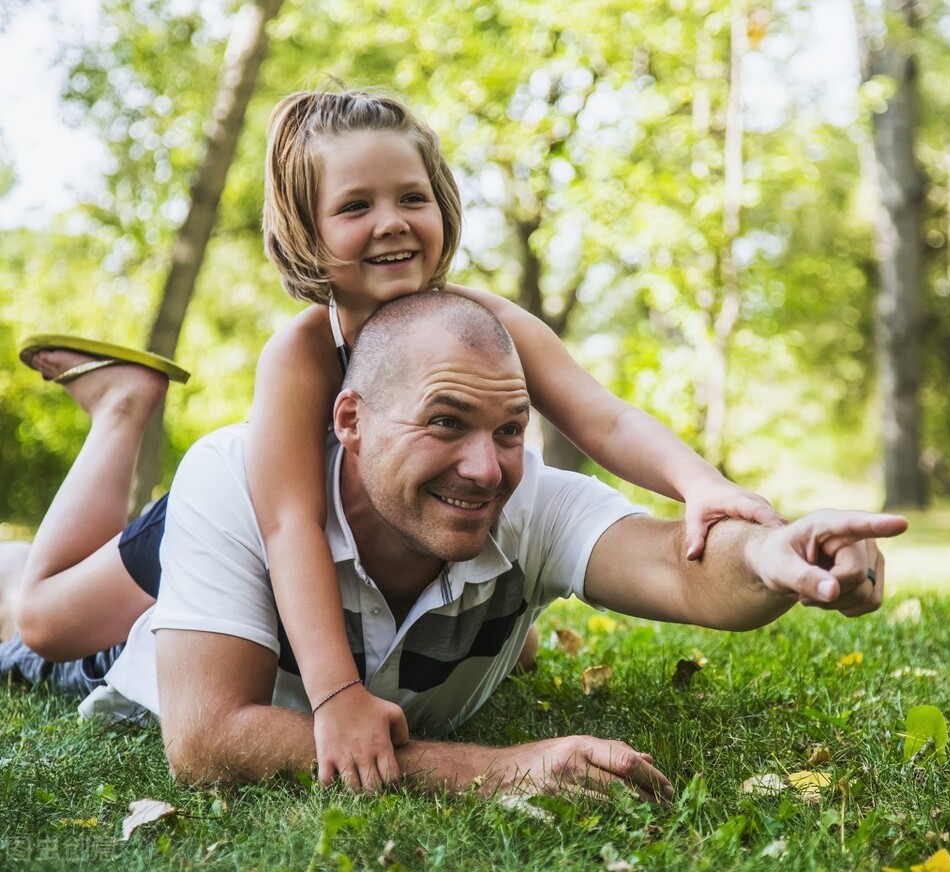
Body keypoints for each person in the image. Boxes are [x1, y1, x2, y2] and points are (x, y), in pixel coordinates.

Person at [13, 88, 784, 789]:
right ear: (308, 232)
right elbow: (288, 527)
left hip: (370, 522)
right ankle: (122, 404)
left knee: (479, 611)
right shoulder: (302, 352)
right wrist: (339, 695)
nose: (391, 221)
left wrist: (699, 484)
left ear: (443, 206)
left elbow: (602, 415)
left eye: (412, 196)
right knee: (47, 622)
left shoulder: (490, 325)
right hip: (250, 511)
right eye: (355, 206)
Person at [2, 292, 907, 799]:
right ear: (349, 420)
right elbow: (207, 742)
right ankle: (121, 407)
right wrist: (492, 771)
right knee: (31, 618)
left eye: (511, 429)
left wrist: (776, 555)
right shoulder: (245, 473)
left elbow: (688, 570)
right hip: (150, 638)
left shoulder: (531, 498)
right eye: (446, 423)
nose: (486, 467)